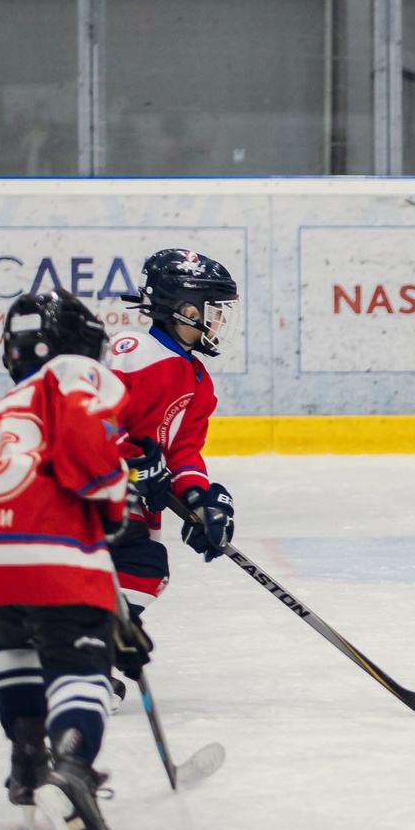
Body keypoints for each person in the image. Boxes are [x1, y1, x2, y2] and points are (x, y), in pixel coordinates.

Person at [0, 290, 133, 830]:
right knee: (84, 663)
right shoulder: (72, 373)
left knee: (17, 645)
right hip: (42, 547)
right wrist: (112, 496)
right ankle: (71, 770)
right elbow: (84, 442)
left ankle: (27, 762)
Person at [107, 248, 241, 629]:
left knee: (146, 570)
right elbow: (95, 416)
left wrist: (199, 498)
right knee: (128, 562)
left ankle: (84, 653)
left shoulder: (200, 382)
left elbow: (183, 452)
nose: (219, 321)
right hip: (93, 487)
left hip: (134, 499)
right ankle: (66, 652)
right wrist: (132, 466)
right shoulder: (132, 351)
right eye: (212, 310)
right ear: (186, 310)